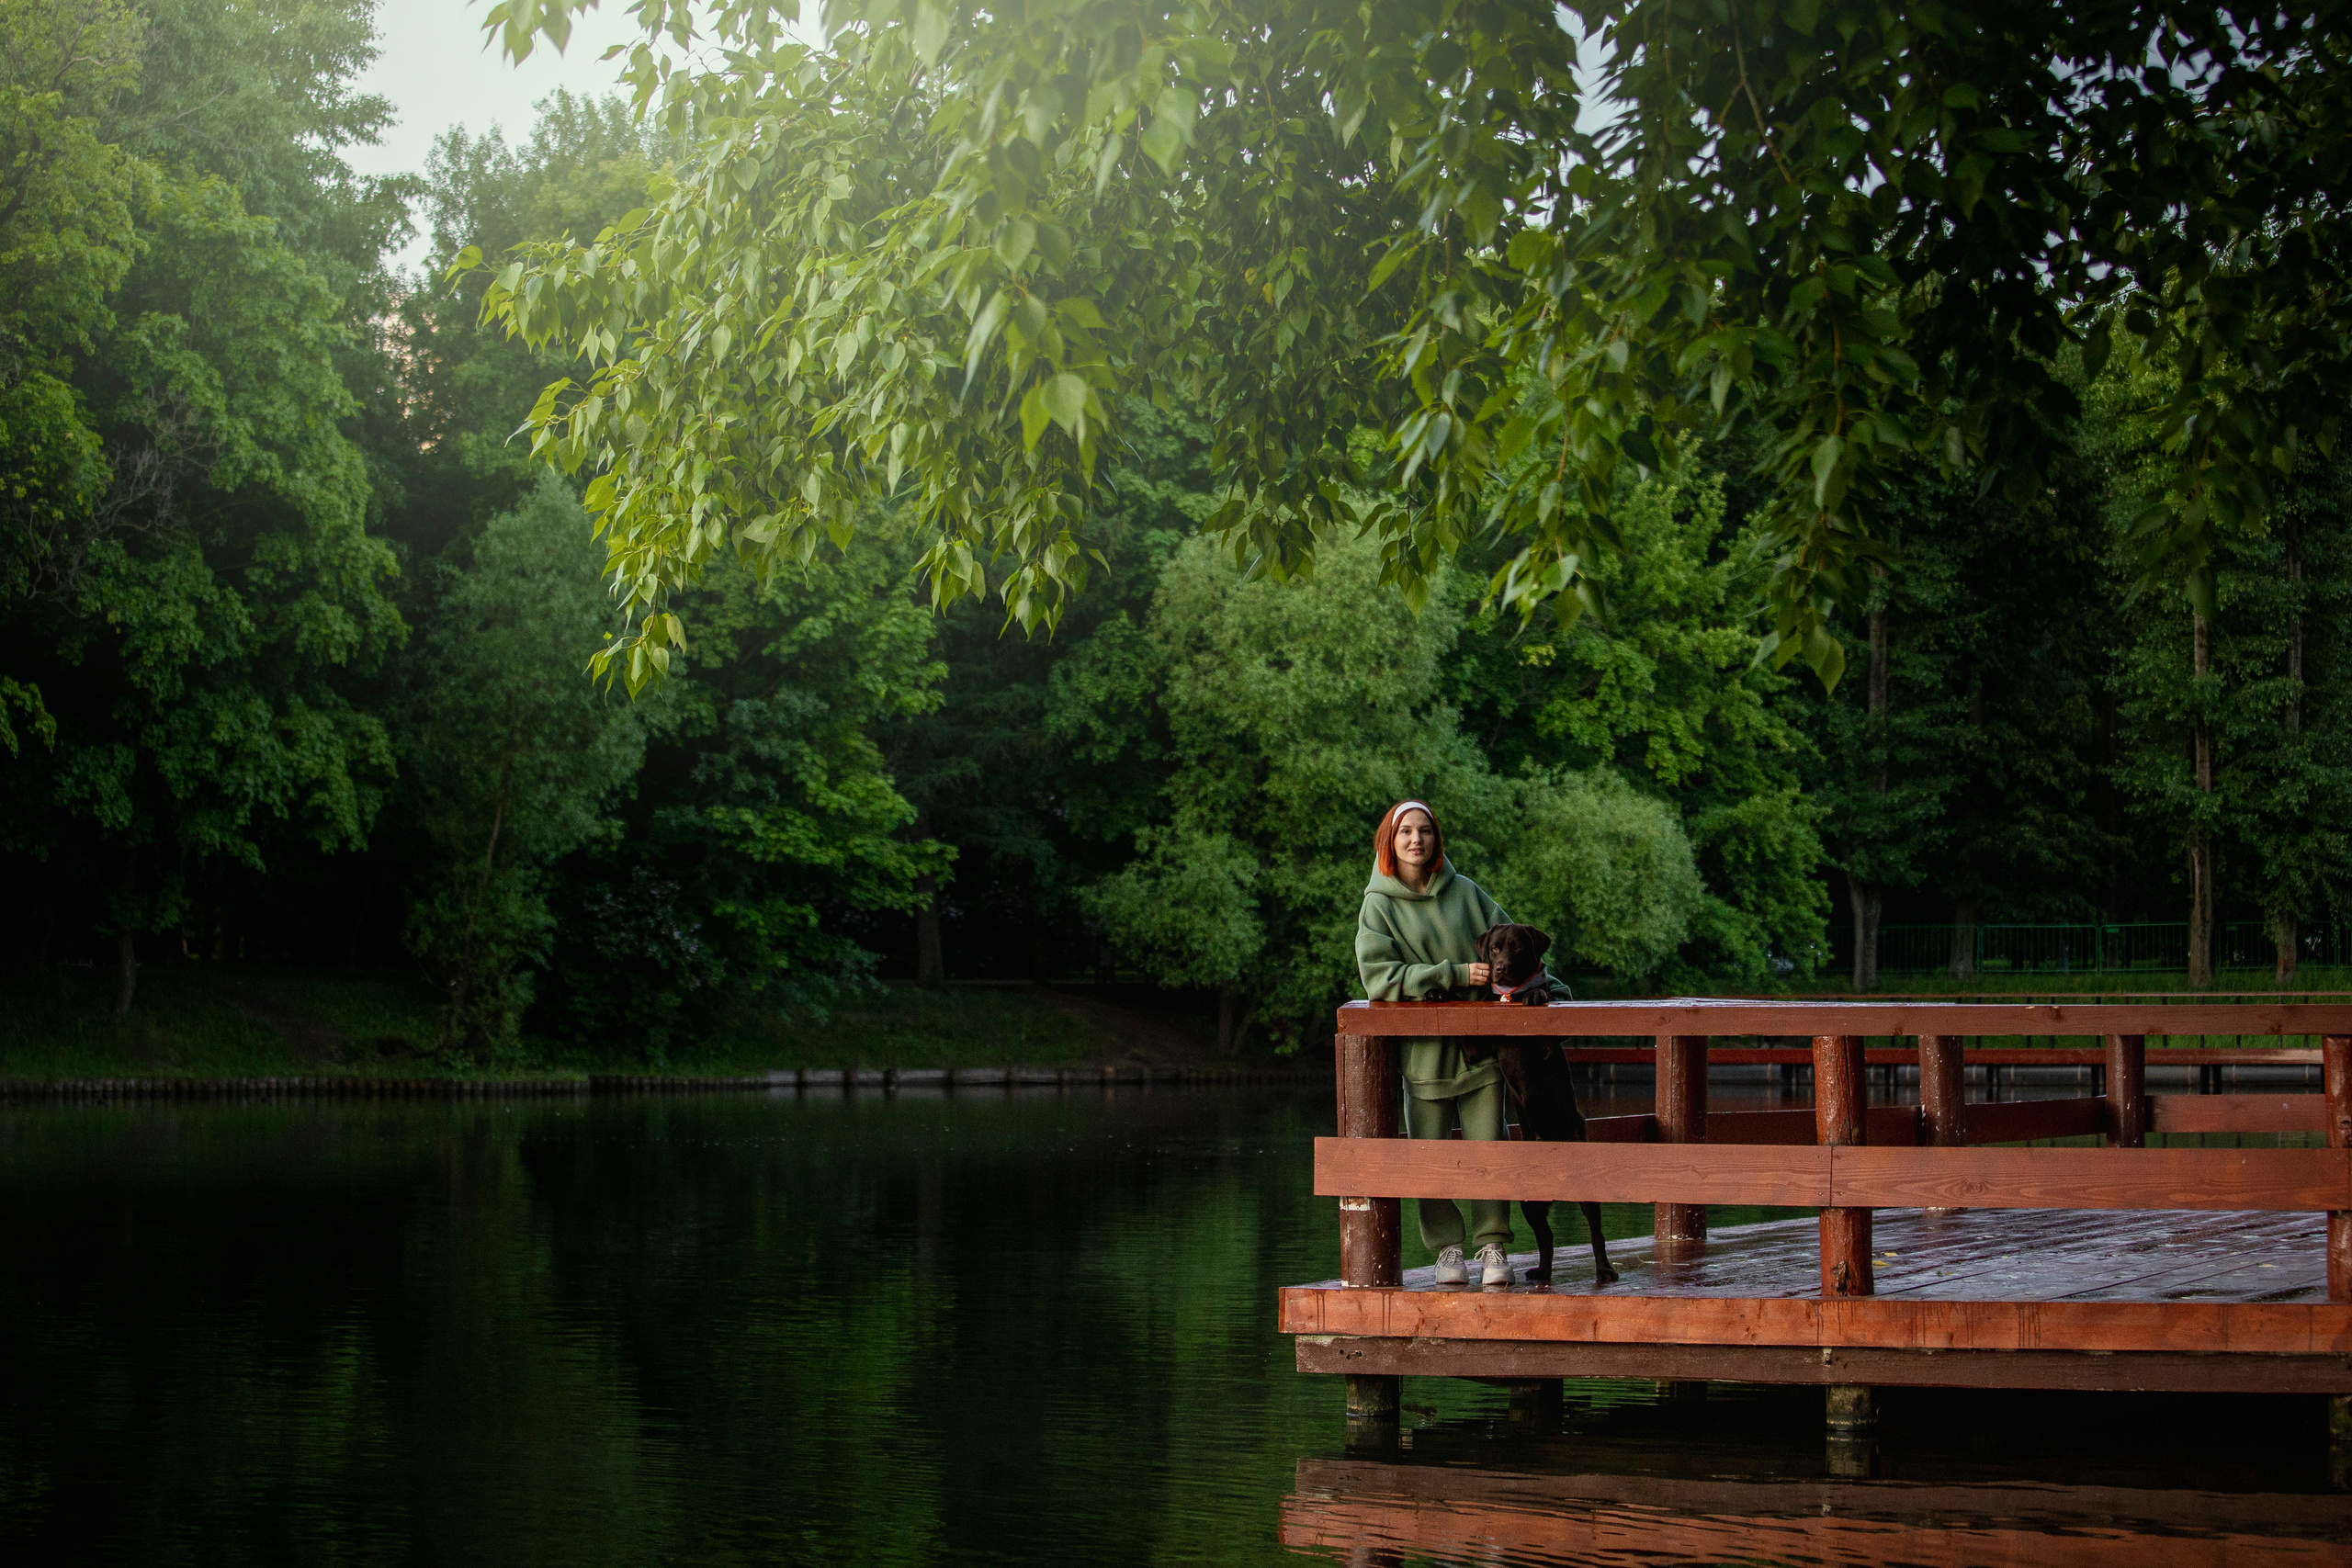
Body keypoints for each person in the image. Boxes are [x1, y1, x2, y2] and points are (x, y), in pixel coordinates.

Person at [1353, 798, 1565, 1288]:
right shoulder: (1377, 905)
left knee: (1490, 1148)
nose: (1416, 840)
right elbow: (1378, 979)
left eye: (1425, 830)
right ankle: (1447, 1249)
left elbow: (1519, 944)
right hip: (1424, 1054)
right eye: (1406, 831)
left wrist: (1551, 991)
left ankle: (1493, 1245)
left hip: (1485, 1049)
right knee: (1429, 1155)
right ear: (1390, 840)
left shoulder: (1465, 891)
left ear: (1436, 839)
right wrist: (1451, 973)